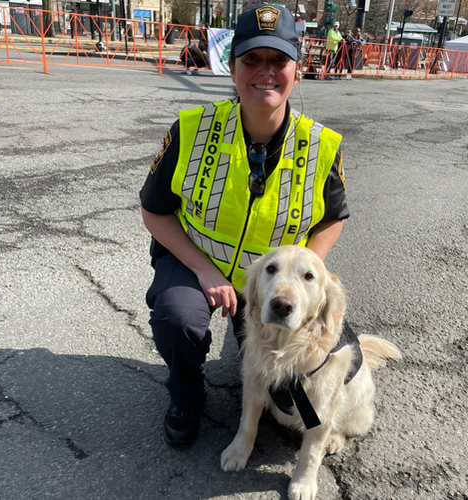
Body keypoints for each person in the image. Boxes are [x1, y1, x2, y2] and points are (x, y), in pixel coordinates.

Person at [139, 5, 349, 448]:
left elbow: (332, 220)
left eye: (279, 61)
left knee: (319, 346)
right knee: (179, 320)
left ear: (297, 67)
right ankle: (186, 395)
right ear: (232, 67)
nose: (265, 73)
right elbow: (154, 211)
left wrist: (300, 279)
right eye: (252, 60)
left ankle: (284, 401)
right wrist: (203, 270)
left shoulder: (320, 145)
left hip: (273, 281)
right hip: (199, 263)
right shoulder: (192, 130)